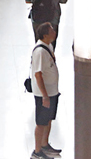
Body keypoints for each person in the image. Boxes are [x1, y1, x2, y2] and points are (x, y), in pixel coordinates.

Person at [30, 23, 61, 159]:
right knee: (41, 122)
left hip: (52, 91)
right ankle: (37, 151)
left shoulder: (48, 46)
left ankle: (44, 144)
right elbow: (38, 74)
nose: (54, 32)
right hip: (44, 94)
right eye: (51, 31)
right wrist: (44, 95)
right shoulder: (40, 52)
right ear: (45, 35)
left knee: (48, 120)